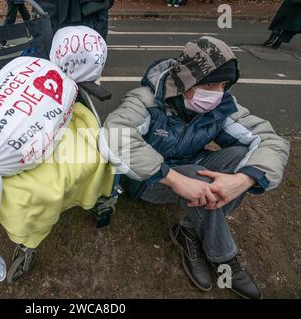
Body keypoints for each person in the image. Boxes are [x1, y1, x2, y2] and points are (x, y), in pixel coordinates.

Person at [100, 36, 290, 299]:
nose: (216, 93)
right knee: (196, 177)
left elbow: (270, 140)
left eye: (223, 84)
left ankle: (188, 229)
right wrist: (175, 179)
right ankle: (224, 257)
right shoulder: (146, 100)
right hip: (151, 180)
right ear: (185, 80)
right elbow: (114, 137)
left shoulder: (223, 106)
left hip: (194, 167)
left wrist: (243, 180)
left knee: (243, 157)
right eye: (209, 84)